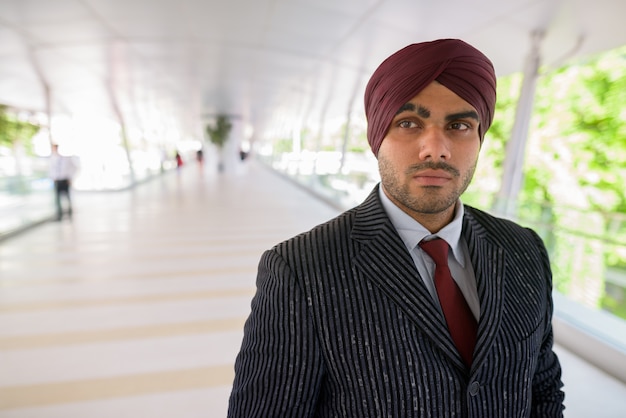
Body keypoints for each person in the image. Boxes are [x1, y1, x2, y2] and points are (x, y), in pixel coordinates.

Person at [228, 39, 565, 417]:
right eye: (409, 123)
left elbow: (544, 388)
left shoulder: (524, 249)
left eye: (459, 125)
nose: (435, 149)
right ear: (377, 138)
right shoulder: (300, 270)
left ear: (480, 138)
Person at [48, 143, 77, 221]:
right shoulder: (52, 159)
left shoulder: (66, 158)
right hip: (57, 180)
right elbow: (50, 170)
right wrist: (52, 178)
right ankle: (59, 215)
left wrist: (70, 178)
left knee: (67, 197)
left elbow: (74, 168)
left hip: (65, 180)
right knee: (57, 199)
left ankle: (70, 213)